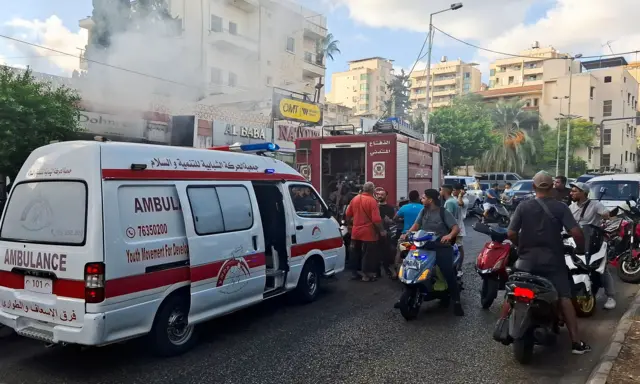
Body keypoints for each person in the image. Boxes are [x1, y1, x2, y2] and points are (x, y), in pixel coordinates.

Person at [506, 171, 591, 354]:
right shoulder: (560, 207)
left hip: (526, 262)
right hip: (553, 262)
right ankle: (576, 342)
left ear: (533, 187)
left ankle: (504, 326)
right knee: (564, 297)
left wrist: (521, 246)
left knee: (512, 291)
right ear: (552, 187)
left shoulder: (523, 206)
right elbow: (576, 233)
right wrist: (580, 249)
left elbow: (511, 233)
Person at [400, 189, 464, 316]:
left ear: (430, 200)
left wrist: (449, 236)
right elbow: (416, 225)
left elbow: (456, 228)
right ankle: (407, 294)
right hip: (424, 245)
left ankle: (456, 302)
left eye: (423, 198)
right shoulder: (423, 211)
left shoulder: (443, 212)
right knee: (410, 264)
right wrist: (406, 234)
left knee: (447, 272)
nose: (421, 199)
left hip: (442, 247)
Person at [569, 182, 617, 310]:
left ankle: (611, 296)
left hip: (594, 241)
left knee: (601, 268)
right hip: (576, 242)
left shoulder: (595, 205)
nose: (571, 193)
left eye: (574, 191)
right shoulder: (571, 207)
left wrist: (607, 215)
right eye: (571, 191)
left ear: (583, 193)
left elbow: (607, 214)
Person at [345, 182, 386, 282]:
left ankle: (354, 273)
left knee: (355, 253)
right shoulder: (372, 201)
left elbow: (348, 214)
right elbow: (376, 219)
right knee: (368, 254)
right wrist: (381, 230)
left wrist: (349, 225)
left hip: (356, 231)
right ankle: (366, 275)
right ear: (372, 189)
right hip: (368, 233)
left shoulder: (355, 199)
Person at [393, 190, 423, 271]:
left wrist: (402, 220)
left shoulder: (404, 207)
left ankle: (396, 270)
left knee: (400, 251)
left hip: (406, 235)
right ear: (418, 198)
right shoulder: (423, 208)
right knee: (418, 252)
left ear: (409, 199)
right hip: (419, 236)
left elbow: (395, 218)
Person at [375, 188, 396, 279]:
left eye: (382, 194)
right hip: (374, 233)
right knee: (375, 253)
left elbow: (393, 221)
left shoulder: (390, 208)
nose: (379, 196)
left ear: (386, 196)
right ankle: (377, 272)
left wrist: (389, 221)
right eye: (378, 194)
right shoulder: (374, 206)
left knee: (386, 253)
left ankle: (387, 270)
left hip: (386, 233)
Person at [452, 184, 469, 277]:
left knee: (459, 247)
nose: (453, 191)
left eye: (455, 190)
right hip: (450, 227)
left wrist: (460, 196)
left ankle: (459, 268)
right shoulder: (452, 197)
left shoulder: (465, 199)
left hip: (459, 227)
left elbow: (460, 203)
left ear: (460, 190)